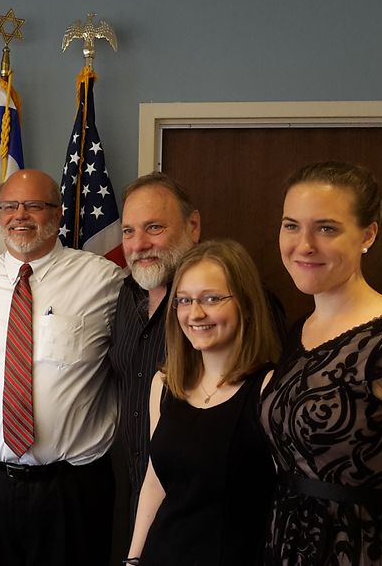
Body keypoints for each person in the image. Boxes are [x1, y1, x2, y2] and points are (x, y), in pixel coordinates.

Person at [261, 161, 382, 564]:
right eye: (291, 225)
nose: (303, 245)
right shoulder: (300, 330)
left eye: (326, 228)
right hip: (283, 545)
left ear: (367, 234)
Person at [0, 169, 124, 566]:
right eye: (9, 206)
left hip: (71, 489)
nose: (21, 215)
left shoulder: (104, 280)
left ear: (58, 213)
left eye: (34, 205)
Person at [125, 239, 279, 566]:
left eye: (211, 298)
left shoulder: (270, 389)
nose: (195, 314)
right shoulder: (165, 384)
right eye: (183, 300)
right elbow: (155, 482)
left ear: (247, 304)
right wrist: (133, 558)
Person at [110, 172, 201, 515]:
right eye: (129, 231)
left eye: (154, 228)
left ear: (192, 226)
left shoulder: (226, 304)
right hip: (135, 496)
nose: (138, 244)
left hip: (196, 508)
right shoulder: (124, 296)